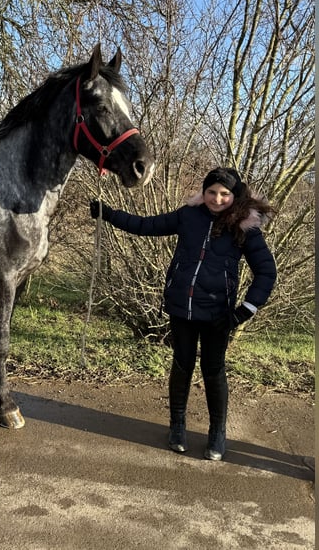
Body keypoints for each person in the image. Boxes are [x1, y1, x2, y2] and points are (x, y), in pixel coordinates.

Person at [90, 168, 277, 460]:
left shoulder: (244, 226)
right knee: (182, 365)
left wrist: (245, 310)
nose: (217, 198)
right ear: (203, 192)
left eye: (224, 194)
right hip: (181, 308)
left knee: (213, 371)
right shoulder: (188, 216)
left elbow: (266, 271)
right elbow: (146, 225)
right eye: (211, 192)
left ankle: (217, 433)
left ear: (234, 195)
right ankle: (177, 426)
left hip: (218, 315)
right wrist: (109, 214)